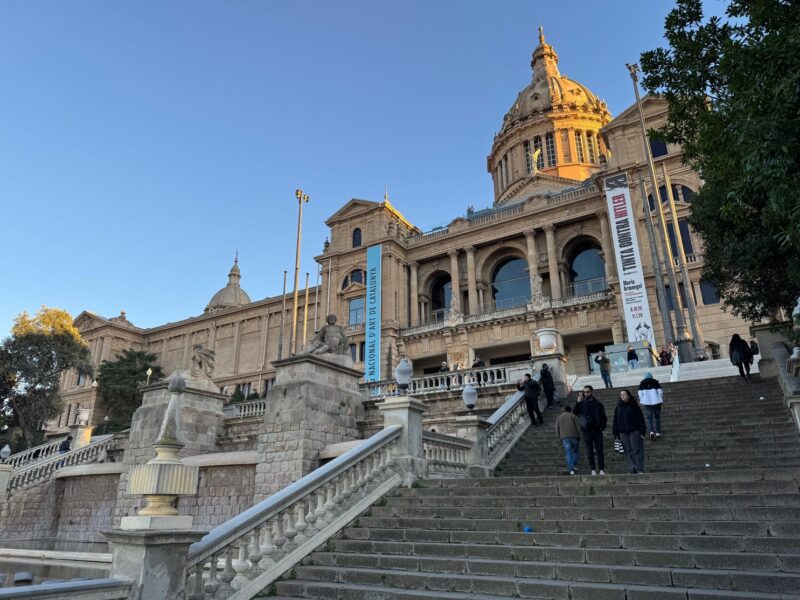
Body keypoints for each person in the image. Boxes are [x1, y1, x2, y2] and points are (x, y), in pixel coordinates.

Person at [573, 385, 607, 475]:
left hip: (597, 431)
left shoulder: (598, 404)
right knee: (589, 451)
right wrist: (577, 402)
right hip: (586, 431)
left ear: (592, 392)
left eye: (588, 392)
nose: (586, 393)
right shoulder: (581, 403)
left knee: (599, 450)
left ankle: (601, 469)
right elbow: (575, 412)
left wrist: (602, 427)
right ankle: (593, 469)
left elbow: (603, 417)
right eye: (584, 392)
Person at [612, 390, 647, 474]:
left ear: (628, 395)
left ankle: (639, 468)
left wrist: (642, 431)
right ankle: (632, 468)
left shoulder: (634, 406)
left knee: (637, 450)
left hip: (634, 431)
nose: (622, 396)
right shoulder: (618, 407)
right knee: (627, 451)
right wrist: (615, 432)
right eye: (621, 395)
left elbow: (640, 419)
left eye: (624, 394)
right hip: (622, 432)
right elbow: (615, 420)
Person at [556, 405, 583, 475]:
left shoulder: (559, 417)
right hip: (574, 437)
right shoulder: (574, 416)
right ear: (570, 410)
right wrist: (581, 436)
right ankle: (573, 465)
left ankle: (571, 469)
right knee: (576, 451)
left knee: (568, 452)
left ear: (564, 410)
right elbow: (578, 427)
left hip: (564, 438)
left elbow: (557, 429)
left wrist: (560, 437)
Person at [638, 371, 664, 440]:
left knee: (649, 419)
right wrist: (659, 398)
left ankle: (651, 432)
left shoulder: (642, 384)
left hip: (647, 403)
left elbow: (640, 394)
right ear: (651, 376)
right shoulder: (656, 383)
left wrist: (643, 401)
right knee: (657, 418)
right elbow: (660, 392)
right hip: (657, 403)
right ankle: (658, 432)